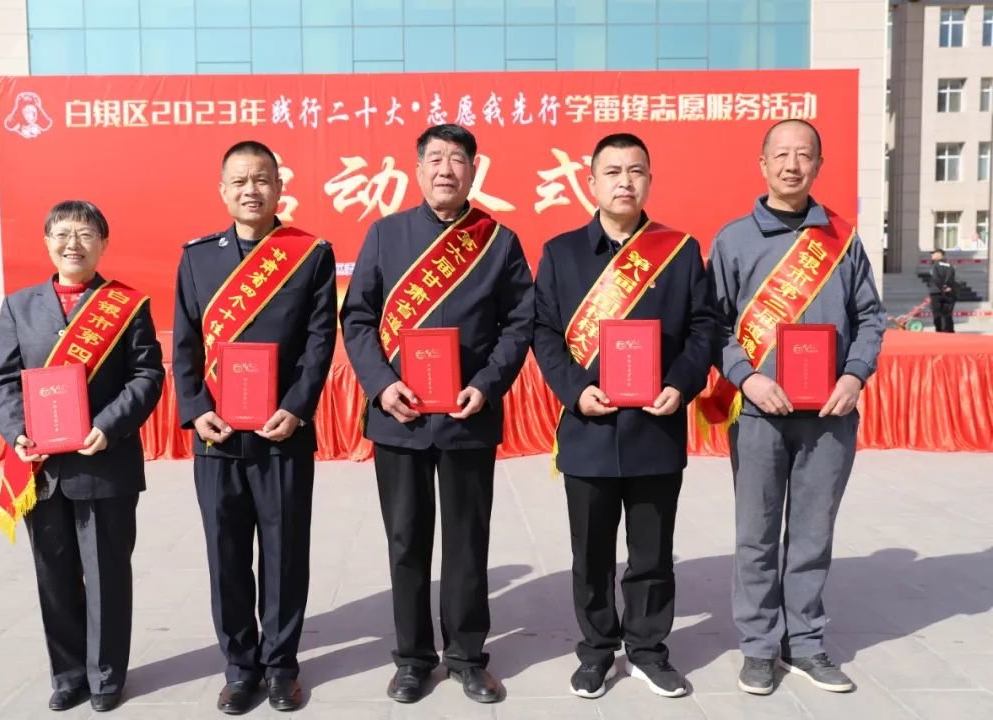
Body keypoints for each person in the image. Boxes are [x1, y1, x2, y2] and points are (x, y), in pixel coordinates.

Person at [340, 124, 533, 705]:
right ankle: (412, 658)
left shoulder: (498, 241)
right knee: (406, 542)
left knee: (468, 541)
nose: (446, 169)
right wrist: (382, 385)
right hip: (399, 417)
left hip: (468, 415)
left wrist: (486, 384)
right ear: (418, 169)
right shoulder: (386, 234)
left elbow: (519, 322)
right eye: (436, 159)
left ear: (474, 170)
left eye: (458, 160)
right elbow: (358, 318)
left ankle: (468, 657)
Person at [702, 119, 886, 695]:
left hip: (830, 416)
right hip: (760, 414)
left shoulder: (842, 240)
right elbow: (714, 325)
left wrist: (854, 375)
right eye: (780, 154)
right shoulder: (733, 240)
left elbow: (870, 318)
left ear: (818, 165)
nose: (791, 164)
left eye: (803, 154)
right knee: (756, 535)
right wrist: (747, 378)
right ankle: (759, 647)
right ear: (762, 164)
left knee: (812, 534)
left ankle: (804, 642)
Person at [533, 133, 717, 700]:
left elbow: (704, 328)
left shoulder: (678, 250)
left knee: (652, 553)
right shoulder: (561, 253)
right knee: (590, 554)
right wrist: (575, 391)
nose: (624, 181)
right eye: (612, 171)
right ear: (591, 182)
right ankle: (595, 651)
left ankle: (648, 651)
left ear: (649, 180)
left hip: (656, 427)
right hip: (588, 427)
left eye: (635, 170)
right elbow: (544, 333)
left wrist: (680, 383)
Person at [172, 141, 337, 714]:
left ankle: (282, 666)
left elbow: (319, 340)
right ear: (223, 190)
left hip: (281, 431)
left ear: (279, 187)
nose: (251, 190)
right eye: (240, 181)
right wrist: (196, 408)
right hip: (217, 435)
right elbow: (185, 343)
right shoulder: (197, 258)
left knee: (285, 553)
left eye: (262, 179)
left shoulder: (309, 254)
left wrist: (297, 406)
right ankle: (240, 667)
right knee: (226, 556)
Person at [0, 200, 164, 713]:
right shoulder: (19, 307)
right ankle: (67, 675)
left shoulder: (126, 305)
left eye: (85, 234)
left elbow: (147, 376)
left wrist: (107, 426)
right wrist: (18, 431)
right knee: (54, 576)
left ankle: (106, 677)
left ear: (103, 243)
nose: (73, 244)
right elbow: (1, 380)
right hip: (41, 470)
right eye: (62, 233)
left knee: (107, 576)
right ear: (47, 242)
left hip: (106, 463)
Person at [927, 248, 956, 332]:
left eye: (933, 253)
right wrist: (947, 287)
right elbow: (951, 278)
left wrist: (943, 287)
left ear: (939, 254)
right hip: (948, 293)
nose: (931, 255)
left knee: (937, 313)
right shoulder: (950, 265)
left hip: (936, 292)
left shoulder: (935, 265)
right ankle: (949, 330)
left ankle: (939, 331)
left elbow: (936, 278)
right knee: (947, 314)